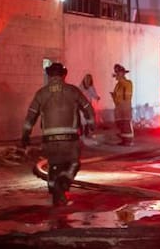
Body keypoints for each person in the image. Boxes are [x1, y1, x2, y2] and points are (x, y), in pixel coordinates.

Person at [21, 62, 95, 205]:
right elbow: (88, 109)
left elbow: (31, 116)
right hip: (70, 139)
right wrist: (91, 123)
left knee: (53, 166)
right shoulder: (73, 91)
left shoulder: (41, 94)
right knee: (73, 163)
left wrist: (25, 135)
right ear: (63, 75)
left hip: (49, 140)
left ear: (48, 75)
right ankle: (64, 181)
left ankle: (56, 192)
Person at [111, 63, 134, 146]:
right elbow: (117, 95)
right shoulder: (118, 85)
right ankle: (124, 140)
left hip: (125, 105)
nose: (116, 74)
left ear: (123, 73)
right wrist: (114, 97)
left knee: (126, 123)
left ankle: (129, 141)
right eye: (116, 72)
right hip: (119, 106)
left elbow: (125, 91)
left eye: (118, 72)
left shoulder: (128, 82)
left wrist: (120, 77)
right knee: (120, 124)